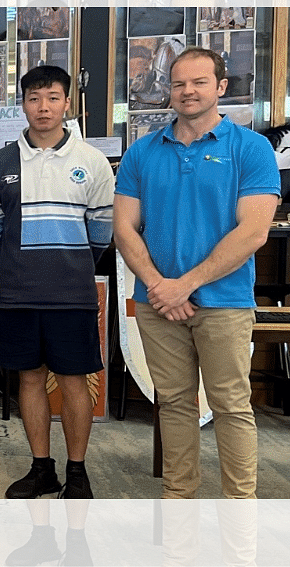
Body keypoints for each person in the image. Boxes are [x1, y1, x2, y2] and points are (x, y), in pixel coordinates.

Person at [115, 47, 279, 499]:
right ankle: (179, 498)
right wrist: (157, 286)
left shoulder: (251, 148)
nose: (187, 91)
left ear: (221, 87)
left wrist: (183, 284)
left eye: (199, 82)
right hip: (158, 303)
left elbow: (254, 232)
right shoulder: (142, 152)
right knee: (173, 405)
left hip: (224, 302)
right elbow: (124, 228)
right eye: (179, 83)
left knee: (231, 405)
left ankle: (239, 505)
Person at [0, 65, 115, 499]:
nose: (43, 107)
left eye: (53, 97)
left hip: (72, 296)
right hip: (17, 295)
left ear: (67, 103)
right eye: (34, 98)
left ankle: (77, 472)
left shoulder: (91, 162)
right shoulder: (0, 163)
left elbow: (101, 233)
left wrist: (66, 263)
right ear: (22, 104)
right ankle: (43, 468)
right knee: (29, 380)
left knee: (74, 383)